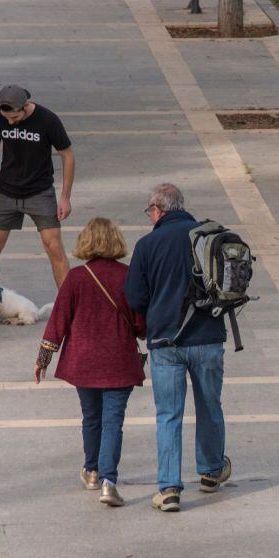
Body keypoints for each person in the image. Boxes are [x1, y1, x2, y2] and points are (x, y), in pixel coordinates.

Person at [125, 183, 231, 513]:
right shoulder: (208, 237)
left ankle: (169, 488)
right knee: (210, 405)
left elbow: (135, 298)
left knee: (168, 415)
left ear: (158, 210)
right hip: (208, 337)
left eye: (149, 212)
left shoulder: (147, 245)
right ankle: (212, 471)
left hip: (165, 342)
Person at [35, 217, 145, 507]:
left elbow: (58, 322)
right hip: (119, 361)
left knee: (92, 417)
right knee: (113, 422)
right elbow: (140, 323)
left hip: (83, 362)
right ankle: (109, 482)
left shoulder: (76, 278)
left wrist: (43, 359)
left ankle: (92, 470)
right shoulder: (128, 275)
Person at [0, 84, 75, 323]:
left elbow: (68, 155)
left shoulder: (48, 120)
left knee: (54, 247)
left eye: (14, 117)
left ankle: (70, 305)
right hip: (6, 191)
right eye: (5, 117)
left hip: (40, 192)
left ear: (25, 106)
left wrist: (65, 197)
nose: (9, 122)